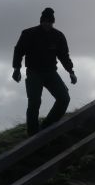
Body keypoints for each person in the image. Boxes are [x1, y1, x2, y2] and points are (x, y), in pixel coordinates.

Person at [12, 7, 77, 136]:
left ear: (53, 22)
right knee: (35, 102)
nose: (47, 24)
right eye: (45, 22)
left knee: (64, 98)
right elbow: (19, 50)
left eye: (49, 22)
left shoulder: (58, 36)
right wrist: (16, 69)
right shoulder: (28, 34)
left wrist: (71, 71)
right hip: (34, 72)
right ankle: (33, 134)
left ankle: (47, 127)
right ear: (41, 21)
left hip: (51, 72)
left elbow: (64, 55)